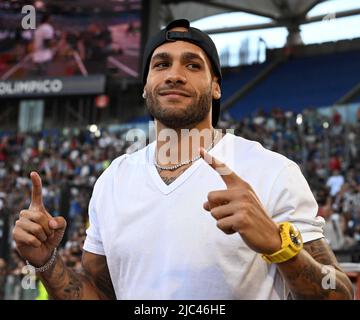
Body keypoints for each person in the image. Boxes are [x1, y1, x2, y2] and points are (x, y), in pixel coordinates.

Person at [13, 19, 353, 300]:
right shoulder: (113, 180)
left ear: (216, 87)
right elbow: (99, 295)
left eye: (193, 65)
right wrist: (46, 262)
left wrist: (281, 246)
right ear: (146, 86)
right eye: (161, 64)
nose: (175, 74)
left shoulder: (271, 171)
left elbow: (338, 293)